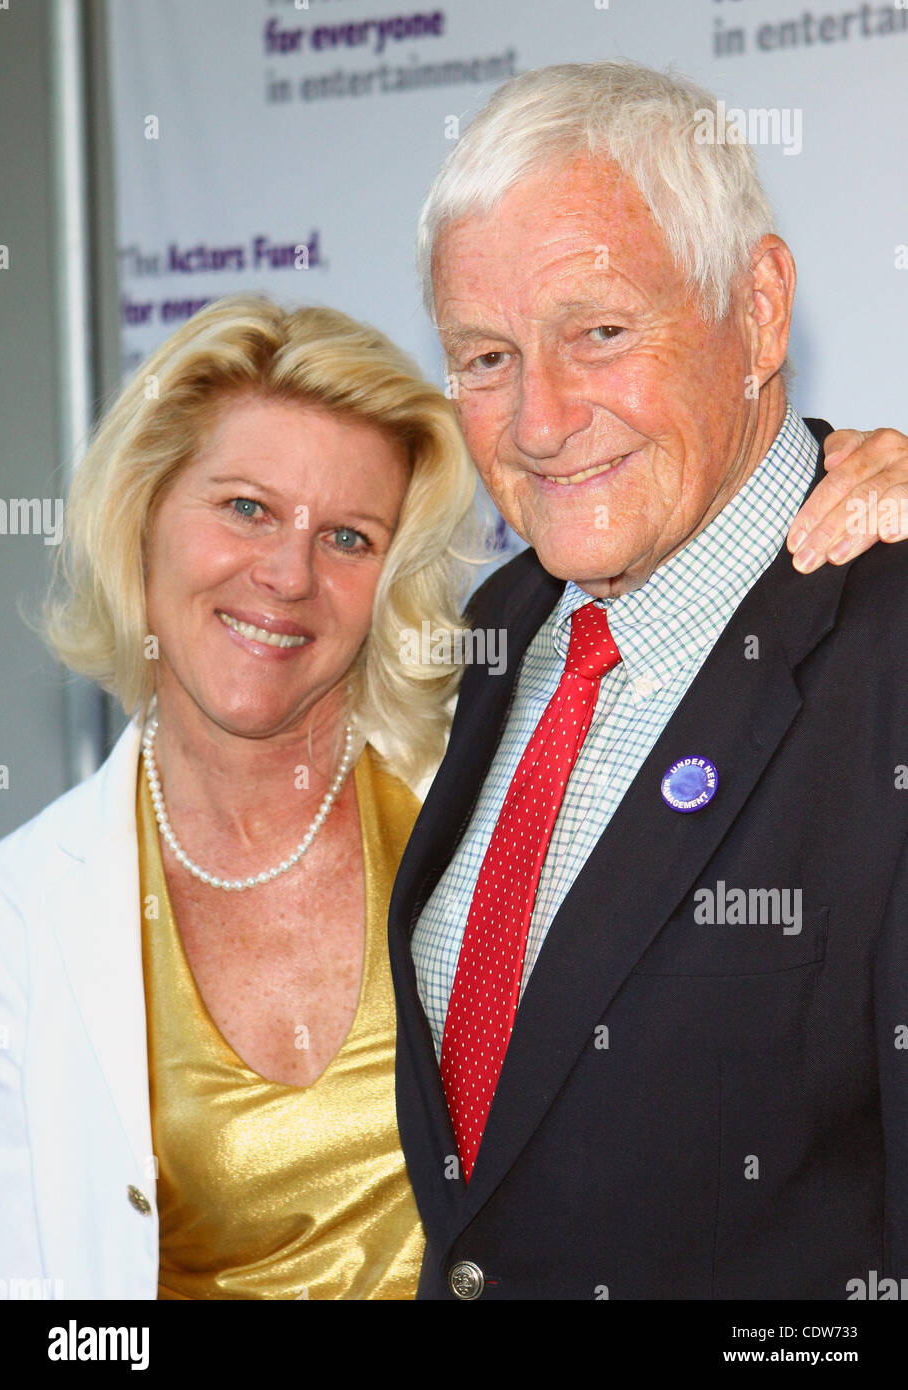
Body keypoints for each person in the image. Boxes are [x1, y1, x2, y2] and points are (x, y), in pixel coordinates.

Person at [388, 60, 908, 1300]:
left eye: (600, 332)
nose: (539, 421)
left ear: (761, 309)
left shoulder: (892, 645)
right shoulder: (502, 624)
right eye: (486, 357)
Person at [0, 295, 476, 1299]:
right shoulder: (22, 918)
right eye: (247, 508)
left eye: (348, 537)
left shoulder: (486, 801)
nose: (287, 574)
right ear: (142, 510)